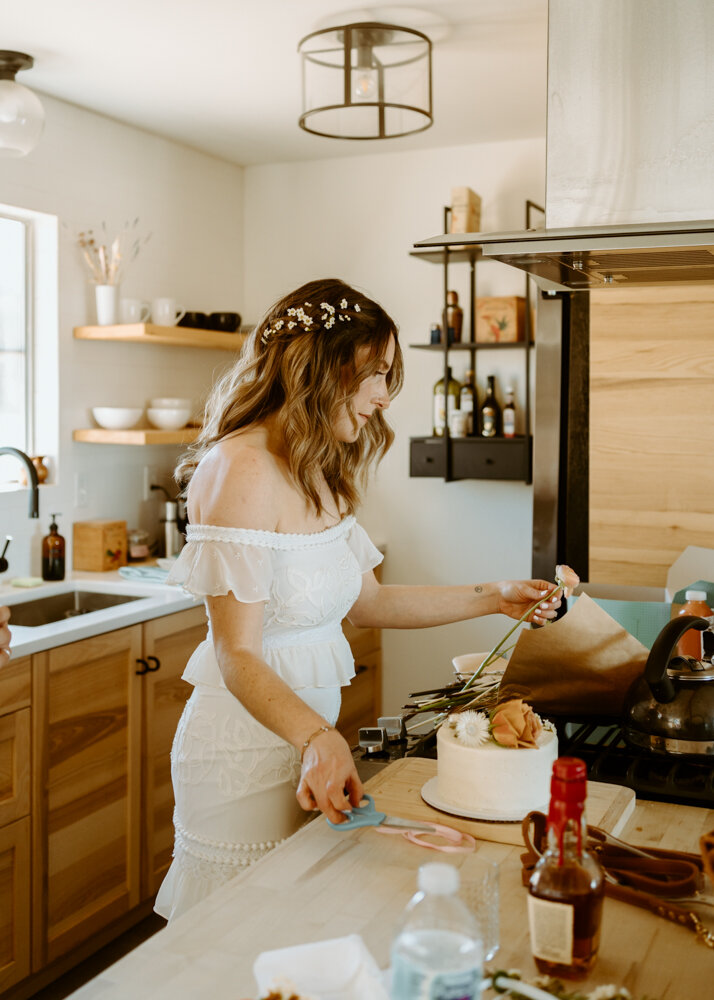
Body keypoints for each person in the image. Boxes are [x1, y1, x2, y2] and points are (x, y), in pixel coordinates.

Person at [154, 278, 563, 923]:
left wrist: (496, 596)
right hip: (243, 754)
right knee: (236, 939)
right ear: (318, 365)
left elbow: (368, 603)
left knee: (298, 930)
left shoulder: (323, 467)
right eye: (376, 373)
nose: (383, 396)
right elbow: (236, 653)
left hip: (310, 749)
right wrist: (317, 736)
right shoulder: (239, 468)